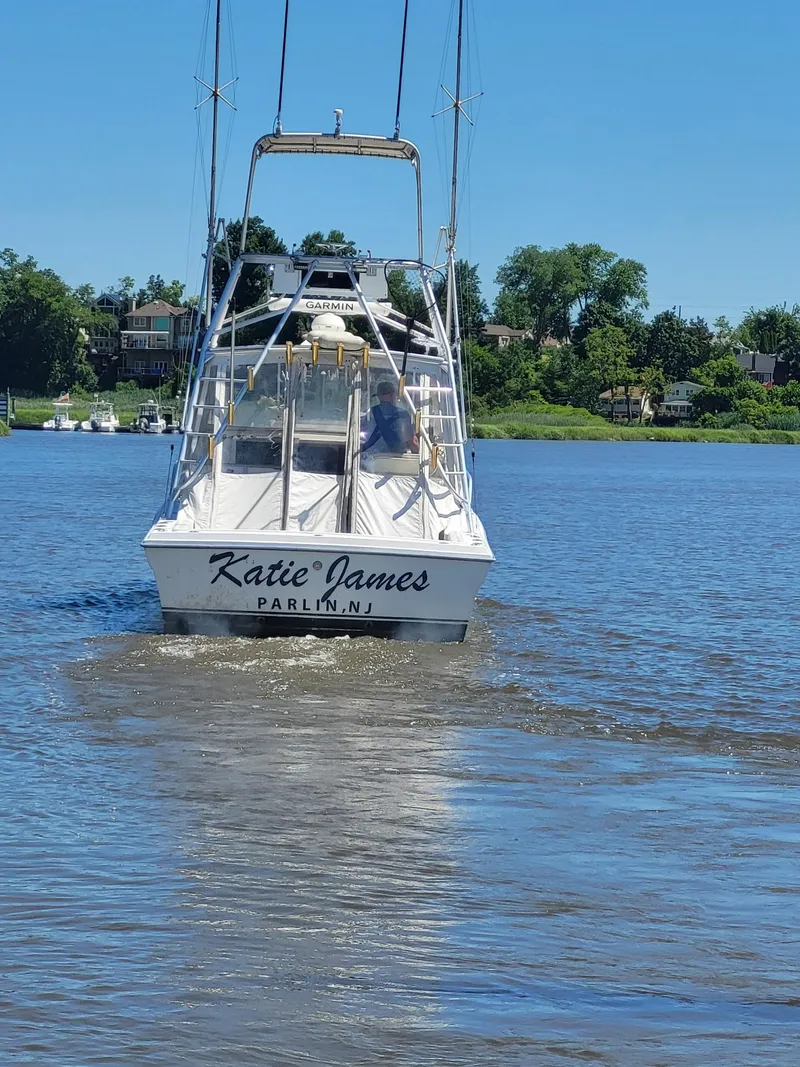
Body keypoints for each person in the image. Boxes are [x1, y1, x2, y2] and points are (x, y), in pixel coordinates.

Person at [361, 380, 418, 454]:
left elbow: (361, 439)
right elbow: (412, 443)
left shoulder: (369, 414)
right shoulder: (403, 415)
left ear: (379, 397)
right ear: (393, 395)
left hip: (371, 459)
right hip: (395, 460)